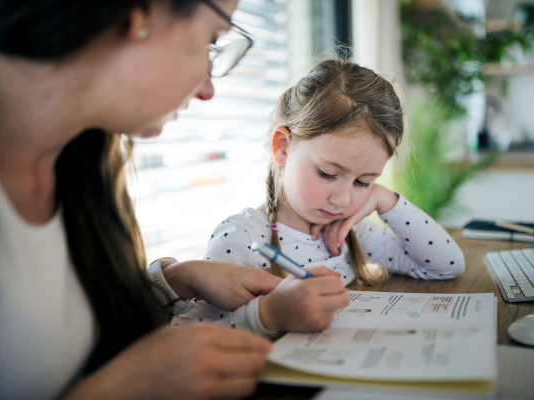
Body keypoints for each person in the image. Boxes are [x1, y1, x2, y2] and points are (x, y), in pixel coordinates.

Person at [0, 1, 348, 399]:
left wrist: (174, 281)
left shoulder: (85, 166)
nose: (207, 88)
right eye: (210, 41)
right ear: (141, 15)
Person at [178, 60, 466, 335]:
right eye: (328, 173)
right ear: (282, 147)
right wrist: (267, 315)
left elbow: (446, 266)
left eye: (364, 182)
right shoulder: (242, 238)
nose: (342, 200)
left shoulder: (349, 230)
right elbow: (188, 337)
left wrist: (384, 199)